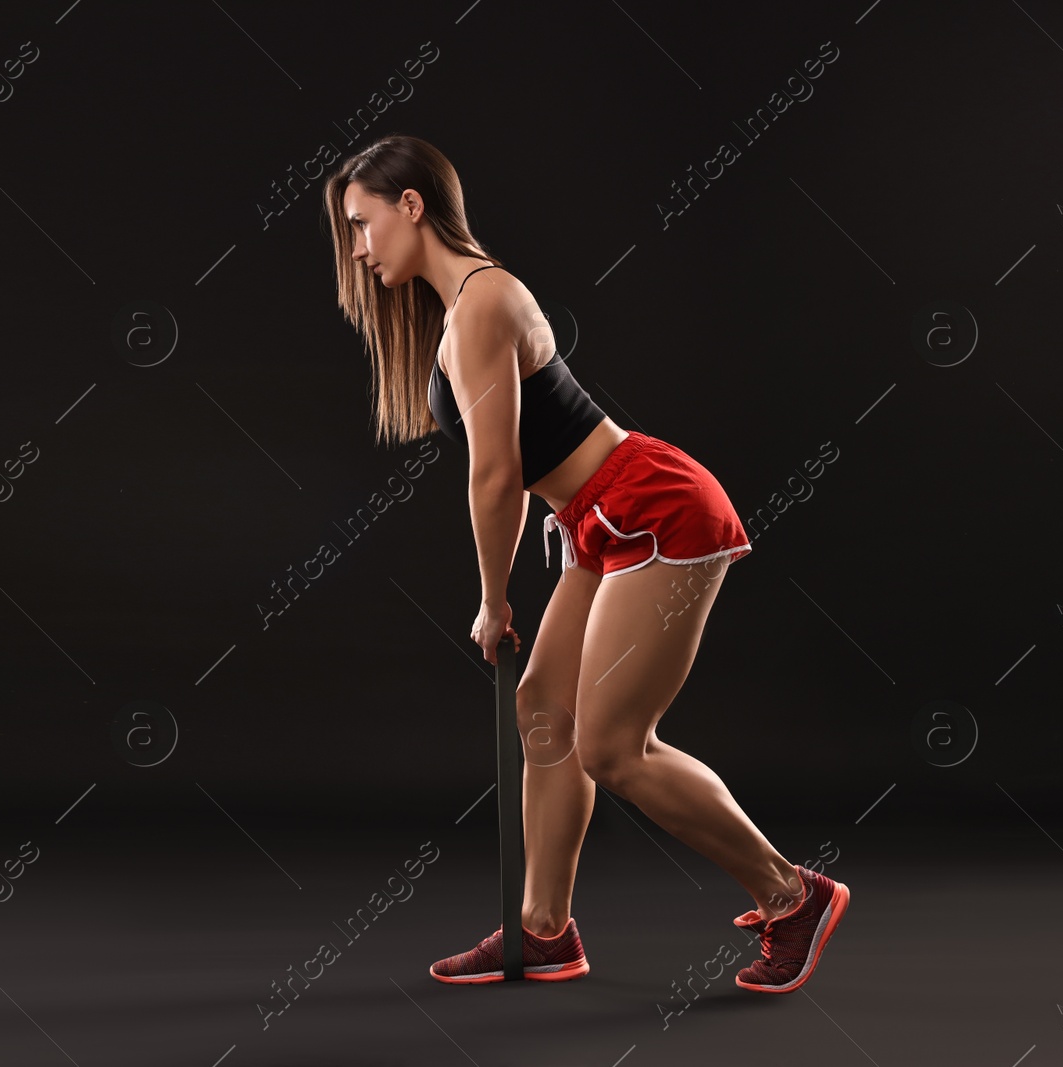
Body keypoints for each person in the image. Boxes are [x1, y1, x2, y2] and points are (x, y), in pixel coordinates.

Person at [321, 134, 850, 993]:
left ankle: (793, 895)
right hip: (596, 519)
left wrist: (492, 598)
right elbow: (525, 476)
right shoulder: (463, 310)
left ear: (409, 206)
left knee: (613, 746)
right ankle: (543, 932)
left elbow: (495, 475)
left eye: (362, 222)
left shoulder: (484, 303)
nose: (357, 244)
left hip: (655, 507)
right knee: (544, 712)